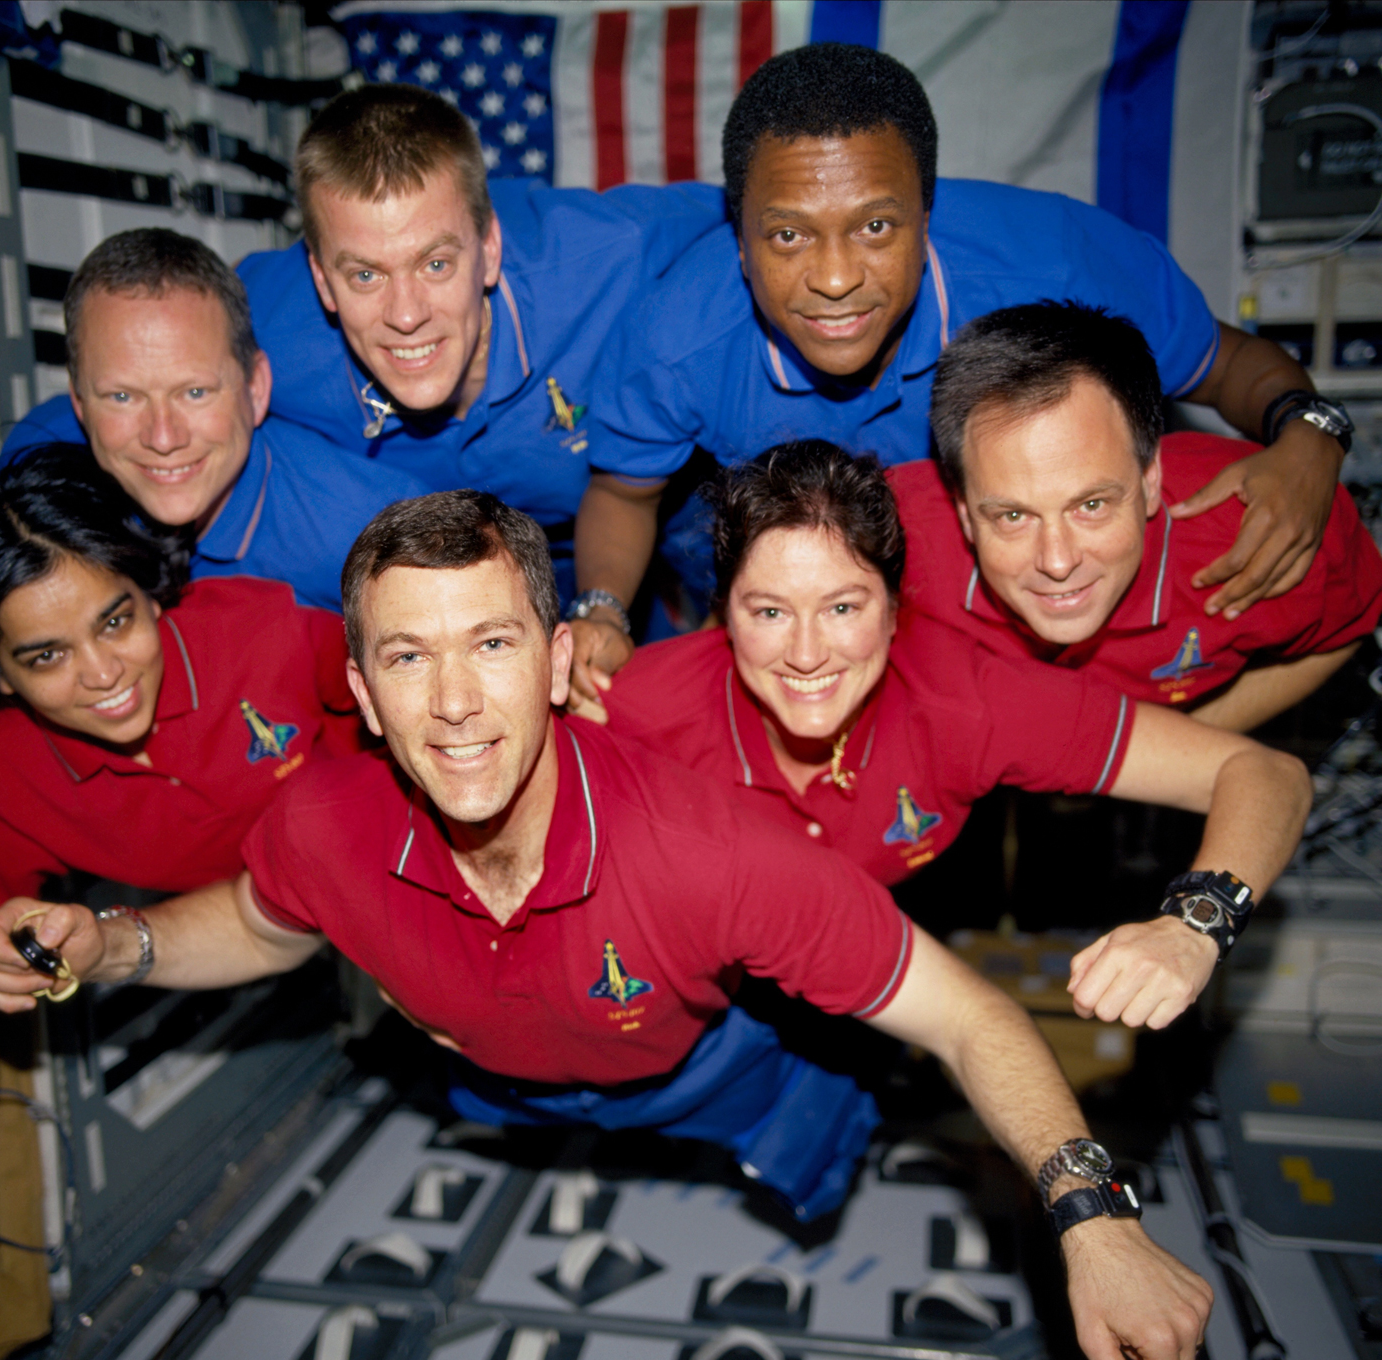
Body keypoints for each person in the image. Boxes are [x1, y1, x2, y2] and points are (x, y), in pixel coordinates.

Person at [0, 488, 1212, 1360]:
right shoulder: (317, 821)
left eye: (494, 644)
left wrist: (1093, 1224)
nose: (454, 703)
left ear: (563, 663)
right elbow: (254, 920)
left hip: (729, 1069)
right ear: (359, 683)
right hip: (499, 1082)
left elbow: (967, 1020)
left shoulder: (720, 855)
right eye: (409, 657)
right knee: (519, 1100)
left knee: (815, 1171)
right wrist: (119, 942)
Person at [570, 42, 1354, 713]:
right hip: (805, 588)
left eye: (876, 226)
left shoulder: (1061, 264)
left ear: (927, 213)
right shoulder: (678, 337)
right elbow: (622, 492)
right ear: (739, 242)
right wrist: (603, 609)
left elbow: (1228, 365)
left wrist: (1310, 433)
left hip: (995, 598)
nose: (836, 277)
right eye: (787, 235)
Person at [588, 441, 1310, 1031]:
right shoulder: (636, 714)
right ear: (724, 615)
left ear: (897, 610)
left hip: (873, 989)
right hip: (691, 1000)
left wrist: (1195, 924)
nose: (806, 654)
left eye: (844, 606)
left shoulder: (967, 699)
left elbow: (1262, 775)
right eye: (769, 612)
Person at [0, 445, 359, 1001]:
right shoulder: (1, 779)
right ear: (0, 674)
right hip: (265, 937)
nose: (104, 672)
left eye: (115, 621)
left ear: (150, 596)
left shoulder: (261, 629)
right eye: (47, 657)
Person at [236, 83, 725, 607]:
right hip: (465, 574)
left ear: (490, 249)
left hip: (657, 511)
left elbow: (766, 215)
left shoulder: (616, 251)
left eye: (436, 264)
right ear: (321, 278)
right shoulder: (256, 324)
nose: (406, 315)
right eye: (364, 275)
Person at [892, 300, 1382, 731]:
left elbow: (1350, 621)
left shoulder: (1262, 529)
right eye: (1013, 516)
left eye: (1091, 505)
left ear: (1150, 482)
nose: (1057, 563)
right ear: (962, 510)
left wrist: (1161, 752)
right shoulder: (884, 535)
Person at [0, 229, 422, 614]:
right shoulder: (36, 467)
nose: (163, 437)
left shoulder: (373, 536)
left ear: (255, 389)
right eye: (122, 397)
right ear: (79, 403)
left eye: (194, 393)